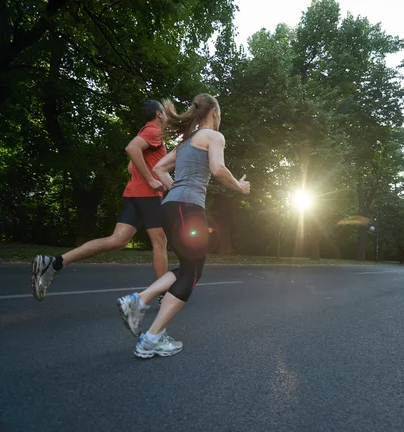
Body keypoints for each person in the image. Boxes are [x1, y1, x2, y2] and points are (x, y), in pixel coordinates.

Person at [116, 93, 250, 359]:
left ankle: (139, 303)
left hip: (170, 208)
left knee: (188, 269)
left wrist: (175, 190)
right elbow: (218, 168)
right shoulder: (213, 136)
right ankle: (150, 336)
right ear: (213, 112)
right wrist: (240, 186)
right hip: (188, 209)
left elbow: (160, 170)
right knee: (192, 273)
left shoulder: (187, 141)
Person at [30, 100, 169, 301]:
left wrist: (145, 176)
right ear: (158, 114)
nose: (165, 116)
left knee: (117, 240)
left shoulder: (144, 132)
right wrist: (150, 180)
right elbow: (131, 149)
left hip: (135, 193)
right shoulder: (153, 131)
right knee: (160, 241)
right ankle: (163, 293)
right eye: (164, 113)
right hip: (147, 195)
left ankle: (53, 263)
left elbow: (131, 166)